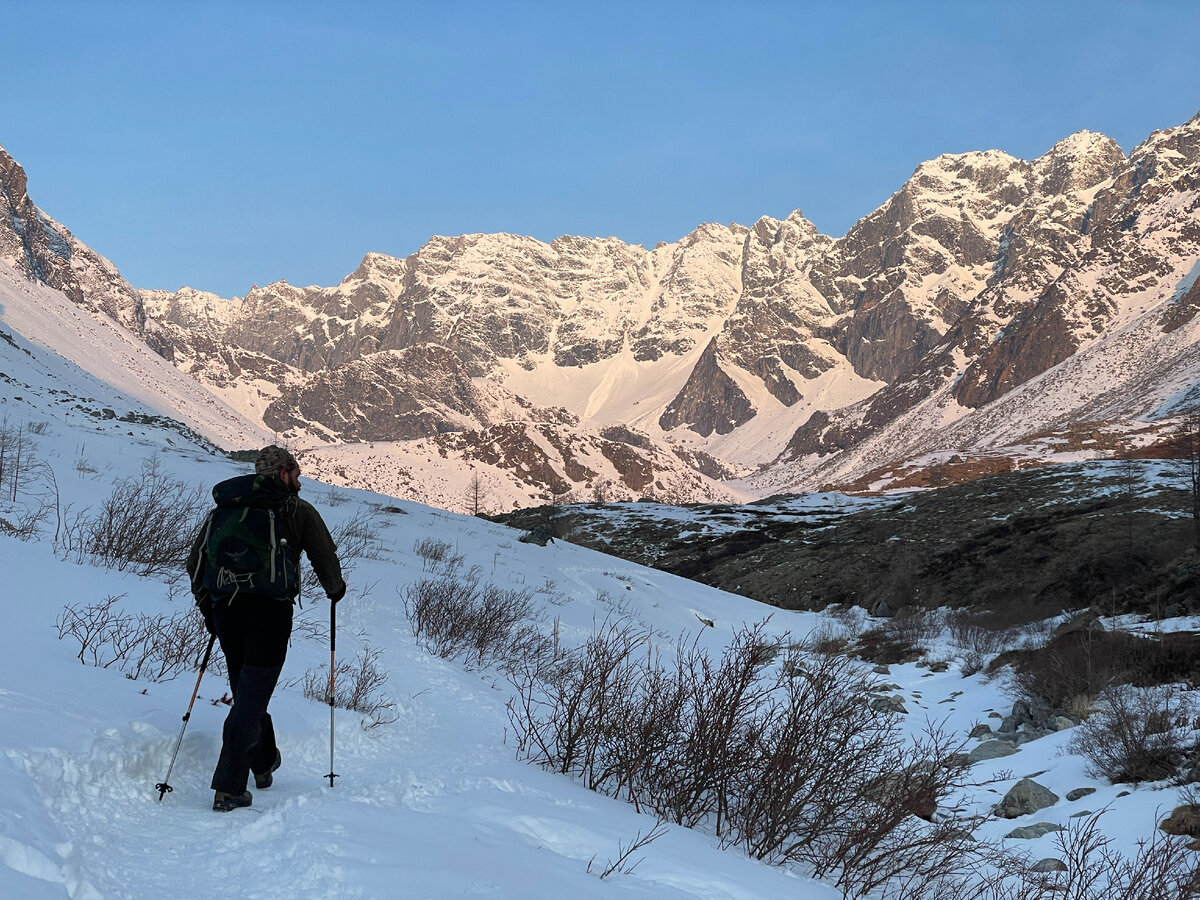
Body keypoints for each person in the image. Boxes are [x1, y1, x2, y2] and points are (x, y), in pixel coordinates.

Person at [187, 445, 346, 812]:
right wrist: (335, 590)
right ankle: (229, 786)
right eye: (296, 472)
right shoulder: (296, 510)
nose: (300, 479)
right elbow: (324, 558)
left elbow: (194, 562)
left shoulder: (225, 510)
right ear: (283, 473)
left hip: (227, 612)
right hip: (270, 616)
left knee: (247, 691)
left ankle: (263, 763)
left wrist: (208, 608)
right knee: (251, 696)